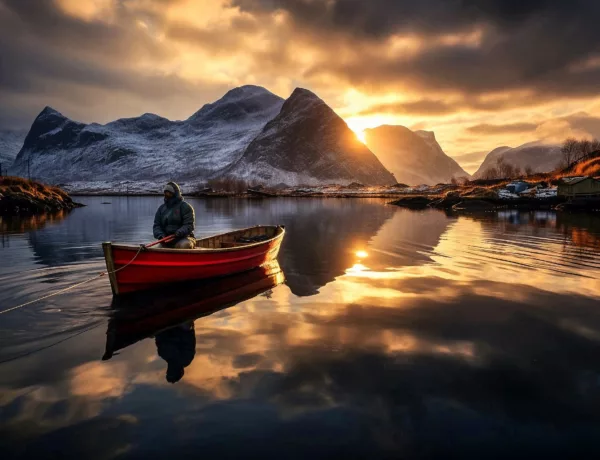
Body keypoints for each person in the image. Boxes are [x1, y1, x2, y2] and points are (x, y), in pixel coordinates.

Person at [153, 181, 196, 249]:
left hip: (184, 238)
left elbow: (189, 225)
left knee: (185, 245)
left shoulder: (185, 207)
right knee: (155, 249)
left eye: (169, 193)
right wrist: (161, 236)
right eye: (165, 193)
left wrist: (179, 232)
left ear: (175, 193)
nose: (167, 195)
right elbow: (156, 225)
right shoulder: (161, 209)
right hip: (166, 240)